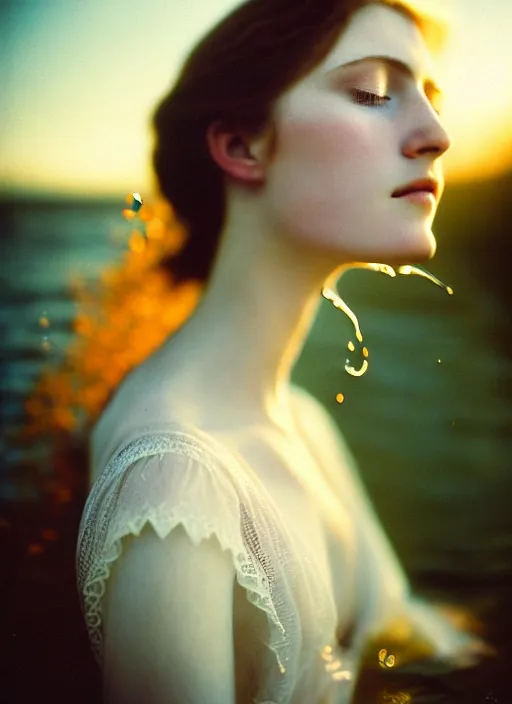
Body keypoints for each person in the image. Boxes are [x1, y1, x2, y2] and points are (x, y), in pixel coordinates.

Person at [76, 1, 491, 702]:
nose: (437, 135)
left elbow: (410, 633)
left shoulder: (299, 420)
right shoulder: (176, 486)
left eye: (431, 97)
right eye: (374, 94)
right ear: (242, 146)